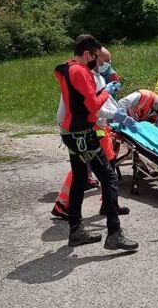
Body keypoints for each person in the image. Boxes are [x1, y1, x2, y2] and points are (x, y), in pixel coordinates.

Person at [54, 34, 138, 250]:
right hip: (84, 134)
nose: (98, 62)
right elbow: (92, 105)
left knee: (80, 179)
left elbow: (81, 102)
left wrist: (102, 95)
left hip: (71, 133)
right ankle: (114, 233)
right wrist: (105, 92)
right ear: (86, 53)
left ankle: (76, 231)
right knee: (109, 178)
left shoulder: (67, 69)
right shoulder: (80, 72)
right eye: (96, 56)